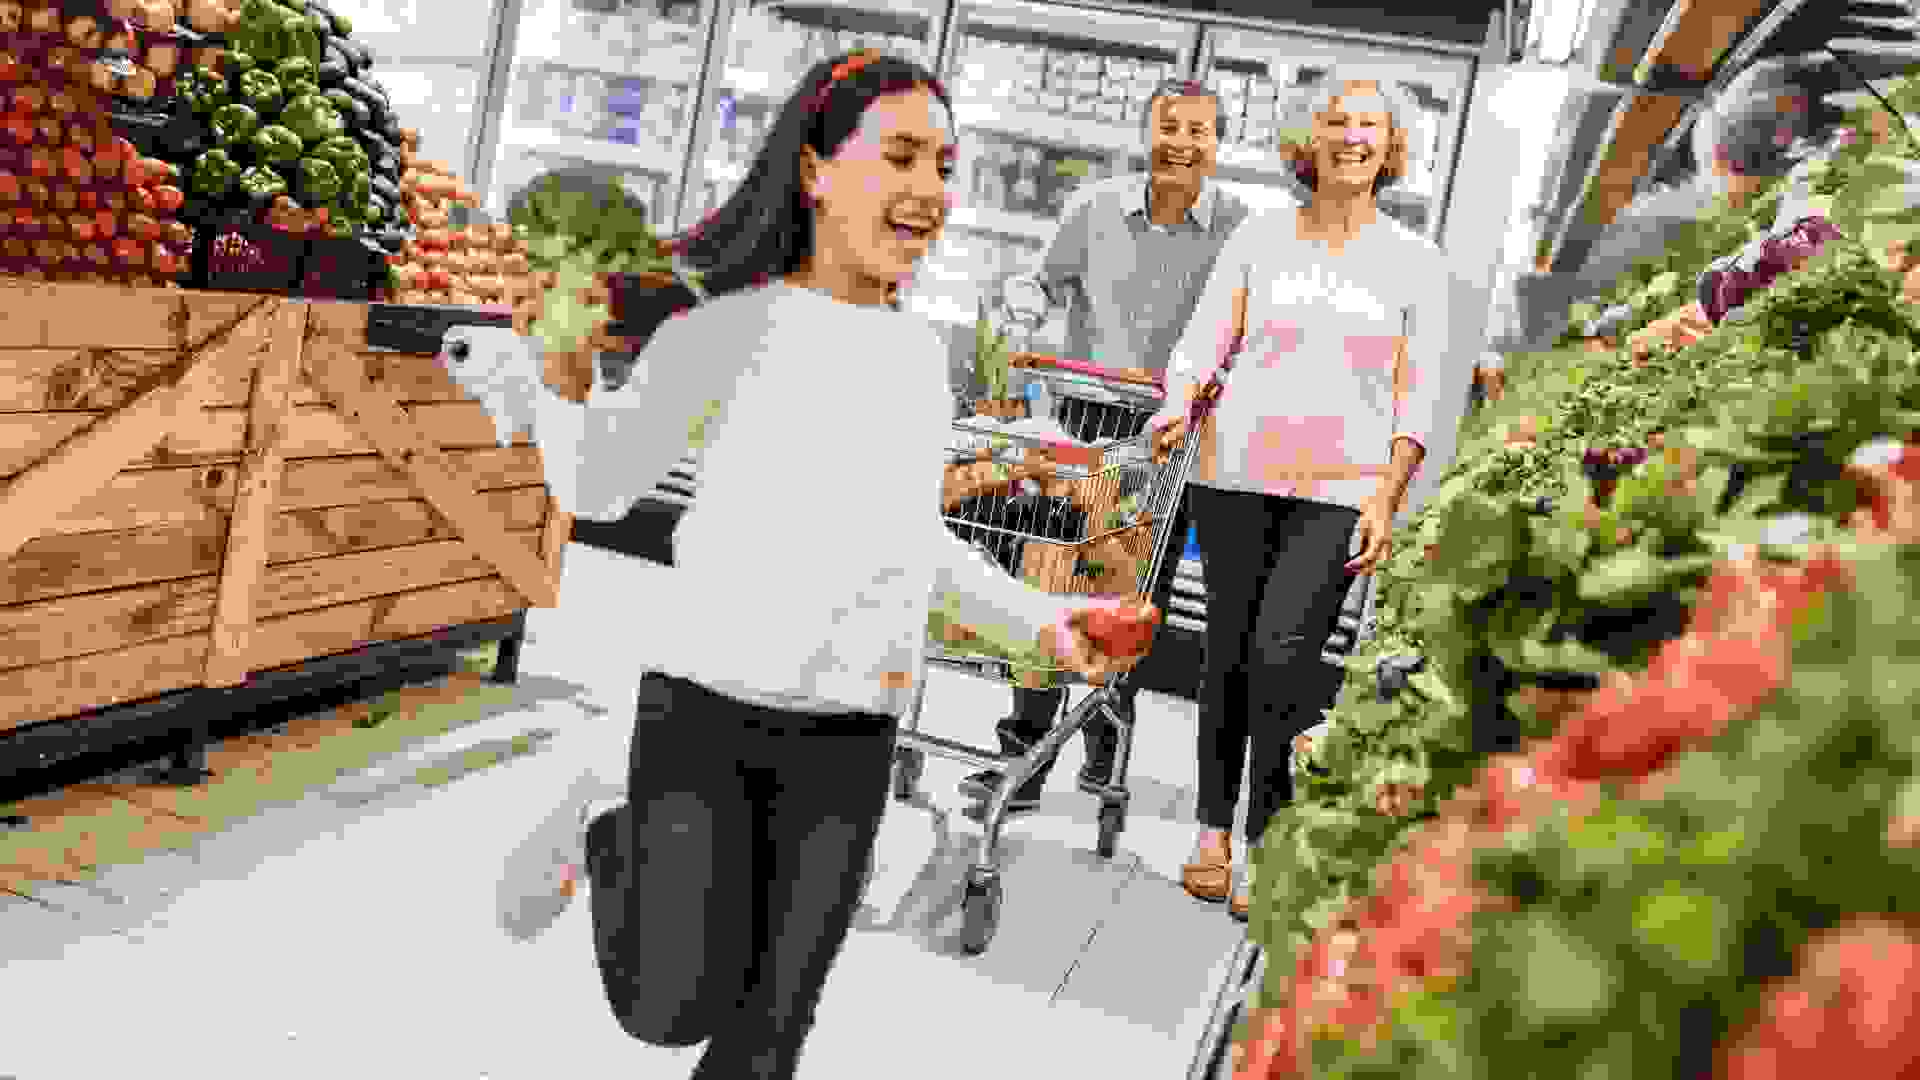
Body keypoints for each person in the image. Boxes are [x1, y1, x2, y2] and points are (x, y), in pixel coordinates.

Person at [486, 51, 1151, 1080]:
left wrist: (1047, 624)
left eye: (943, 163)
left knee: (766, 1041)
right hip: (704, 712)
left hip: (852, 740)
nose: (930, 188)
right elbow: (606, 487)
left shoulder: (917, 358)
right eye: (900, 156)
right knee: (671, 1009)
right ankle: (604, 823)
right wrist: (561, 387)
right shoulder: (730, 328)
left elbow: (909, 536)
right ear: (813, 172)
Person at [1150, 73, 1460, 920]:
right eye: (1335, 121)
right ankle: (1211, 830)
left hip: (1338, 490)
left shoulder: (1415, 264)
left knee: (1285, 658)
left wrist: (1388, 496)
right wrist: (1179, 403)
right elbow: (1206, 339)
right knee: (1229, 653)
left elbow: (1417, 392)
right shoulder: (1260, 237)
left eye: (1369, 124)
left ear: (1390, 145)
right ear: (1309, 138)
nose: (1352, 136)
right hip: (1235, 472)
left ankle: (1265, 840)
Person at [959, 78, 1259, 816]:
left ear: (1217, 145)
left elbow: (1252, 328)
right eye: (1168, 127)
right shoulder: (1094, 209)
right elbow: (1044, 283)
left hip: (1169, 441)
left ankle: (1104, 728)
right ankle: (1022, 752)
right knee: (1051, 581)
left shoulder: (1241, 231)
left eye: (1197, 131)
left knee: (1132, 594)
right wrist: (1026, 298)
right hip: (1083, 433)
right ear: (1144, 130)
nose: (1181, 144)